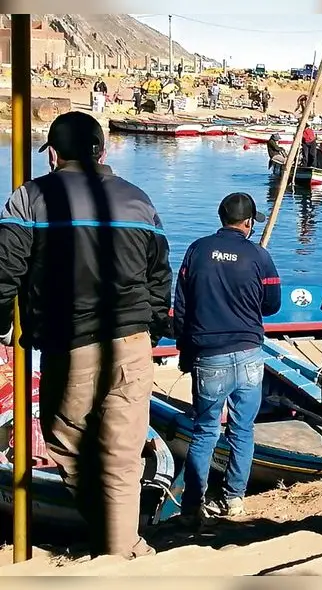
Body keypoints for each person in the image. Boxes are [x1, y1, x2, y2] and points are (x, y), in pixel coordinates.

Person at [0, 111, 172, 558]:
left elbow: (5, 271)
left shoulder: (30, 198)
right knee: (123, 455)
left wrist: (2, 326)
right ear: (103, 150)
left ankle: (111, 544)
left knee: (65, 439)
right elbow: (159, 277)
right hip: (133, 343)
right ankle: (123, 547)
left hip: (70, 343)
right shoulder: (139, 200)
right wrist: (151, 331)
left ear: (53, 155)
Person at [173, 192, 281, 525]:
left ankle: (192, 506)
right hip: (248, 352)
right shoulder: (259, 255)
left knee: (205, 431)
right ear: (247, 223)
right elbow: (272, 304)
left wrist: (184, 350)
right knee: (242, 431)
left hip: (209, 355)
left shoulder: (197, 250)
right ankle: (234, 499)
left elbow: (182, 307)